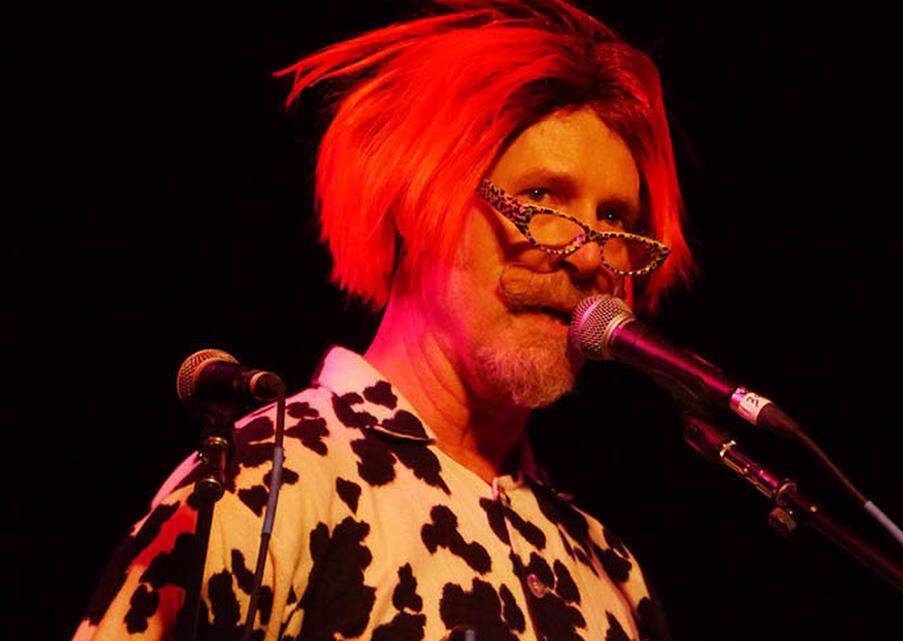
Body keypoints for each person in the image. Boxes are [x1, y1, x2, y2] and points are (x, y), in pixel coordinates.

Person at [74, 1, 694, 639]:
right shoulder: (265, 481)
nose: (591, 254)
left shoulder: (610, 573)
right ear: (417, 206)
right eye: (540, 198)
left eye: (615, 218)